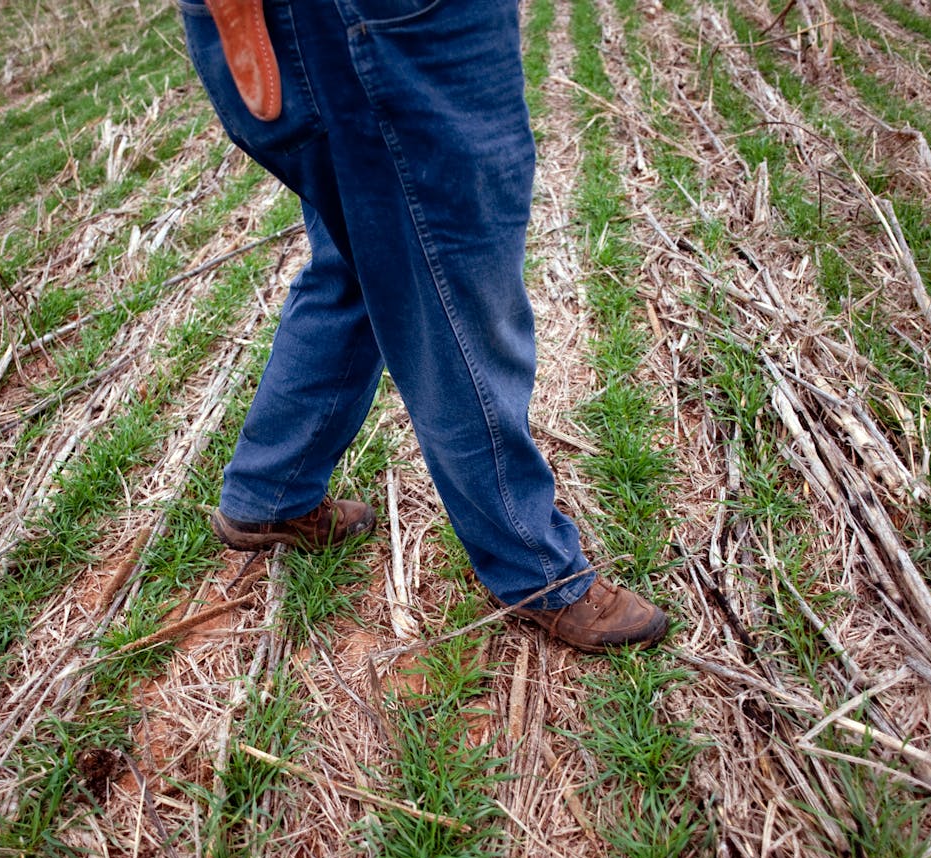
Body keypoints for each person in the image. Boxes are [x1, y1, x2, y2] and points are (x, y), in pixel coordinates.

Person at [179, 0, 666, 651]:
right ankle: (535, 568)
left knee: (366, 246)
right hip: (384, 22)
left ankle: (272, 488)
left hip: (268, 25)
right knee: (452, 268)